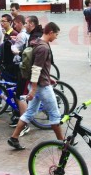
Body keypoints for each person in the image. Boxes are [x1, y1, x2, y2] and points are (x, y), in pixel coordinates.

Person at [8, 22, 64, 150]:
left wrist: (48, 78)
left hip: (40, 83)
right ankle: (63, 143)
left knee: (30, 113)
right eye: (56, 34)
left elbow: (40, 67)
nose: (56, 37)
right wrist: (33, 89)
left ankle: (14, 138)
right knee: (55, 115)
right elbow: (36, 69)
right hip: (41, 87)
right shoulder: (43, 47)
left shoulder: (37, 42)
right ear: (50, 32)